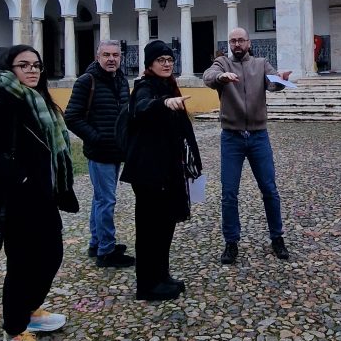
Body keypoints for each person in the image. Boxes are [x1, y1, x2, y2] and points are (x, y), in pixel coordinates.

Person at [0, 44, 78, 341]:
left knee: (51, 255)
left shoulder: (38, 101)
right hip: (17, 201)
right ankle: (13, 335)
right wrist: (20, 177)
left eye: (36, 65)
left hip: (42, 198)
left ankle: (29, 311)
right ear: (9, 69)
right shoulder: (4, 103)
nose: (32, 70)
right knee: (23, 266)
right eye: (23, 65)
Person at [121, 41, 202, 302]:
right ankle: (147, 284)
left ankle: (161, 276)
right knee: (149, 229)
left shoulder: (167, 85)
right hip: (149, 172)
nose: (166, 64)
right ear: (150, 64)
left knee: (165, 225)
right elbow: (142, 106)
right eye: (161, 60)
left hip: (166, 170)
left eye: (169, 59)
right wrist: (164, 103)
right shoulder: (145, 87)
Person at [203, 28, 292, 264]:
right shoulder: (222, 63)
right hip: (231, 137)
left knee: (269, 189)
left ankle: (277, 237)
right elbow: (208, 76)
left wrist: (282, 79)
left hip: (258, 136)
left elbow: (273, 84)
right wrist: (221, 78)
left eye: (241, 40)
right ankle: (231, 242)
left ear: (249, 43)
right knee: (229, 192)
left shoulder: (261, 64)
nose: (237, 44)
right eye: (233, 40)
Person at [65, 39, 132, 268]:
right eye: (106, 55)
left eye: (115, 55)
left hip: (116, 151)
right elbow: (71, 117)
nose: (111, 59)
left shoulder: (121, 80)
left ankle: (97, 243)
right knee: (106, 201)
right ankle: (106, 251)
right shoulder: (87, 81)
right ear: (98, 57)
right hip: (100, 152)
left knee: (100, 198)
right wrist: (96, 137)